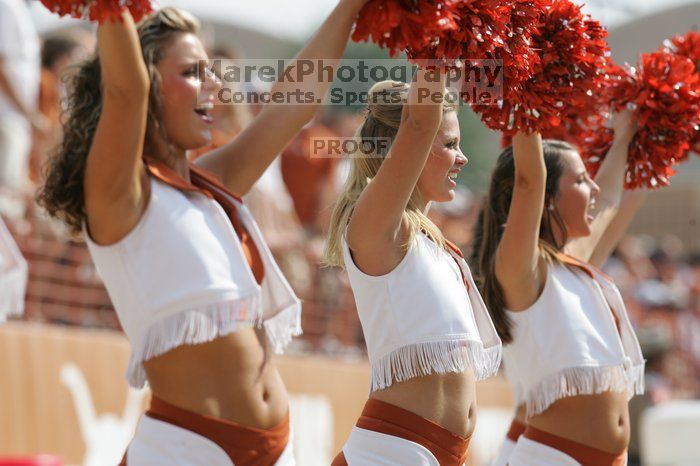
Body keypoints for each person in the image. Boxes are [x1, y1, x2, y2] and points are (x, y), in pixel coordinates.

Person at [37, 1, 369, 463]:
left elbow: (294, 105)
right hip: (187, 449)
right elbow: (126, 91)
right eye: (193, 72)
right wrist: (114, 10)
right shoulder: (119, 196)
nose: (215, 85)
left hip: (276, 449)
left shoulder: (211, 183)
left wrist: (350, 7)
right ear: (151, 84)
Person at [324, 70, 501, 465]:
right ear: (405, 148)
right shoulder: (377, 225)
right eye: (451, 143)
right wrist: (438, 52)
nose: (463, 156)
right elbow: (420, 125)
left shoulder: (432, 240)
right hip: (392, 451)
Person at [475, 112, 647, 466]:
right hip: (553, 457)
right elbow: (528, 181)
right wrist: (530, 102)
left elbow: (611, 200)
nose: (594, 188)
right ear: (548, 197)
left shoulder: (571, 263)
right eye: (582, 180)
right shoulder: (520, 268)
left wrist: (625, 137)